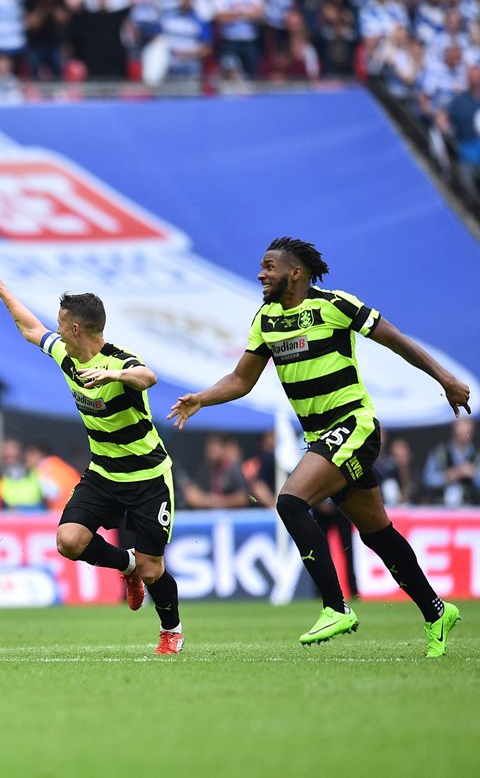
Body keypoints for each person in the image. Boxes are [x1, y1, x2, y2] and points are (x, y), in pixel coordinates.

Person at [168, 237, 468, 658]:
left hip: (353, 426)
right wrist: (202, 397)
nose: (261, 274)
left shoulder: (335, 305)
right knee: (377, 533)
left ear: (295, 273)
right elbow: (241, 380)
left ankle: (335, 606)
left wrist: (446, 379)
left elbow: (398, 341)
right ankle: (437, 611)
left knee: (290, 501)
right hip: (321, 438)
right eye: (261, 266)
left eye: (269, 267)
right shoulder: (266, 319)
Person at [0, 257, 185, 655]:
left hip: (147, 478)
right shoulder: (67, 356)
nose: (55, 329)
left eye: (61, 323)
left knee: (153, 567)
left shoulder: (120, 362)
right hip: (103, 475)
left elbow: (149, 377)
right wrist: (4, 293)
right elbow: (31, 329)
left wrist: (117, 376)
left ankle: (171, 630)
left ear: (76, 328)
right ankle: (124, 567)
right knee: (69, 541)